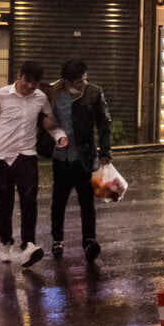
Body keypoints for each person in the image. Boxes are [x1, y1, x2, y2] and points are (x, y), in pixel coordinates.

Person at [0, 61, 67, 268]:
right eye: (27, 82)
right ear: (19, 76)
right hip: (1, 157)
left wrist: (59, 135)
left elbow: (49, 123)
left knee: (29, 202)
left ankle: (28, 246)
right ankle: (5, 244)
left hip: (27, 156)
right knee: (5, 204)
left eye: (34, 84)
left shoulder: (41, 98)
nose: (30, 87)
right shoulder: (1, 95)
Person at [43, 59, 112, 263]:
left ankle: (89, 241)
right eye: (79, 80)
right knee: (58, 201)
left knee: (87, 202)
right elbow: (43, 119)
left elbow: (104, 122)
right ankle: (57, 240)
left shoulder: (94, 92)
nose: (84, 82)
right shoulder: (53, 92)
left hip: (84, 156)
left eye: (84, 78)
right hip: (61, 157)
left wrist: (105, 152)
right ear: (67, 80)